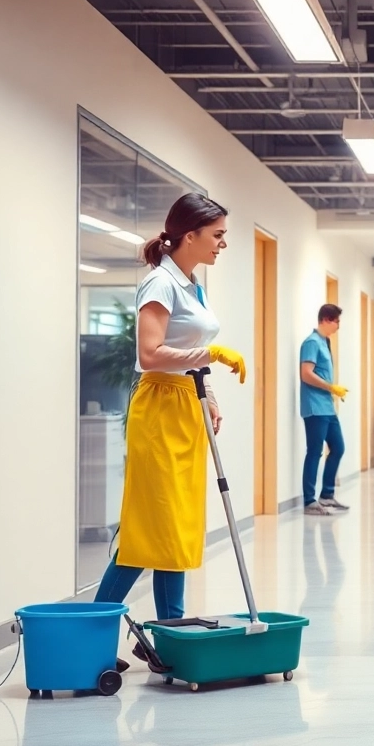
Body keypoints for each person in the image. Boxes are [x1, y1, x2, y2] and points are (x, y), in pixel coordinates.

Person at [95, 193, 246, 670]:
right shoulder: (160, 283)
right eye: (217, 234)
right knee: (148, 529)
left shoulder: (192, 284)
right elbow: (150, 354)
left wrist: (210, 394)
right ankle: (93, 637)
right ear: (189, 235)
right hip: (158, 407)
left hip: (184, 404)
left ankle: (170, 636)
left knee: (175, 528)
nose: (223, 243)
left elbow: (190, 348)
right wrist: (215, 356)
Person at [300, 304, 350, 515]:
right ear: (326, 320)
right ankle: (310, 501)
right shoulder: (311, 343)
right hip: (314, 407)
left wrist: (332, 391)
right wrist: (331, 387)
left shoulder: (324, 342)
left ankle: (327, 495)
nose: (338, 326)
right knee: (315, 452)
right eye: (337, 321)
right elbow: (306, 374)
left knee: (338, 447)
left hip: (327, 407)